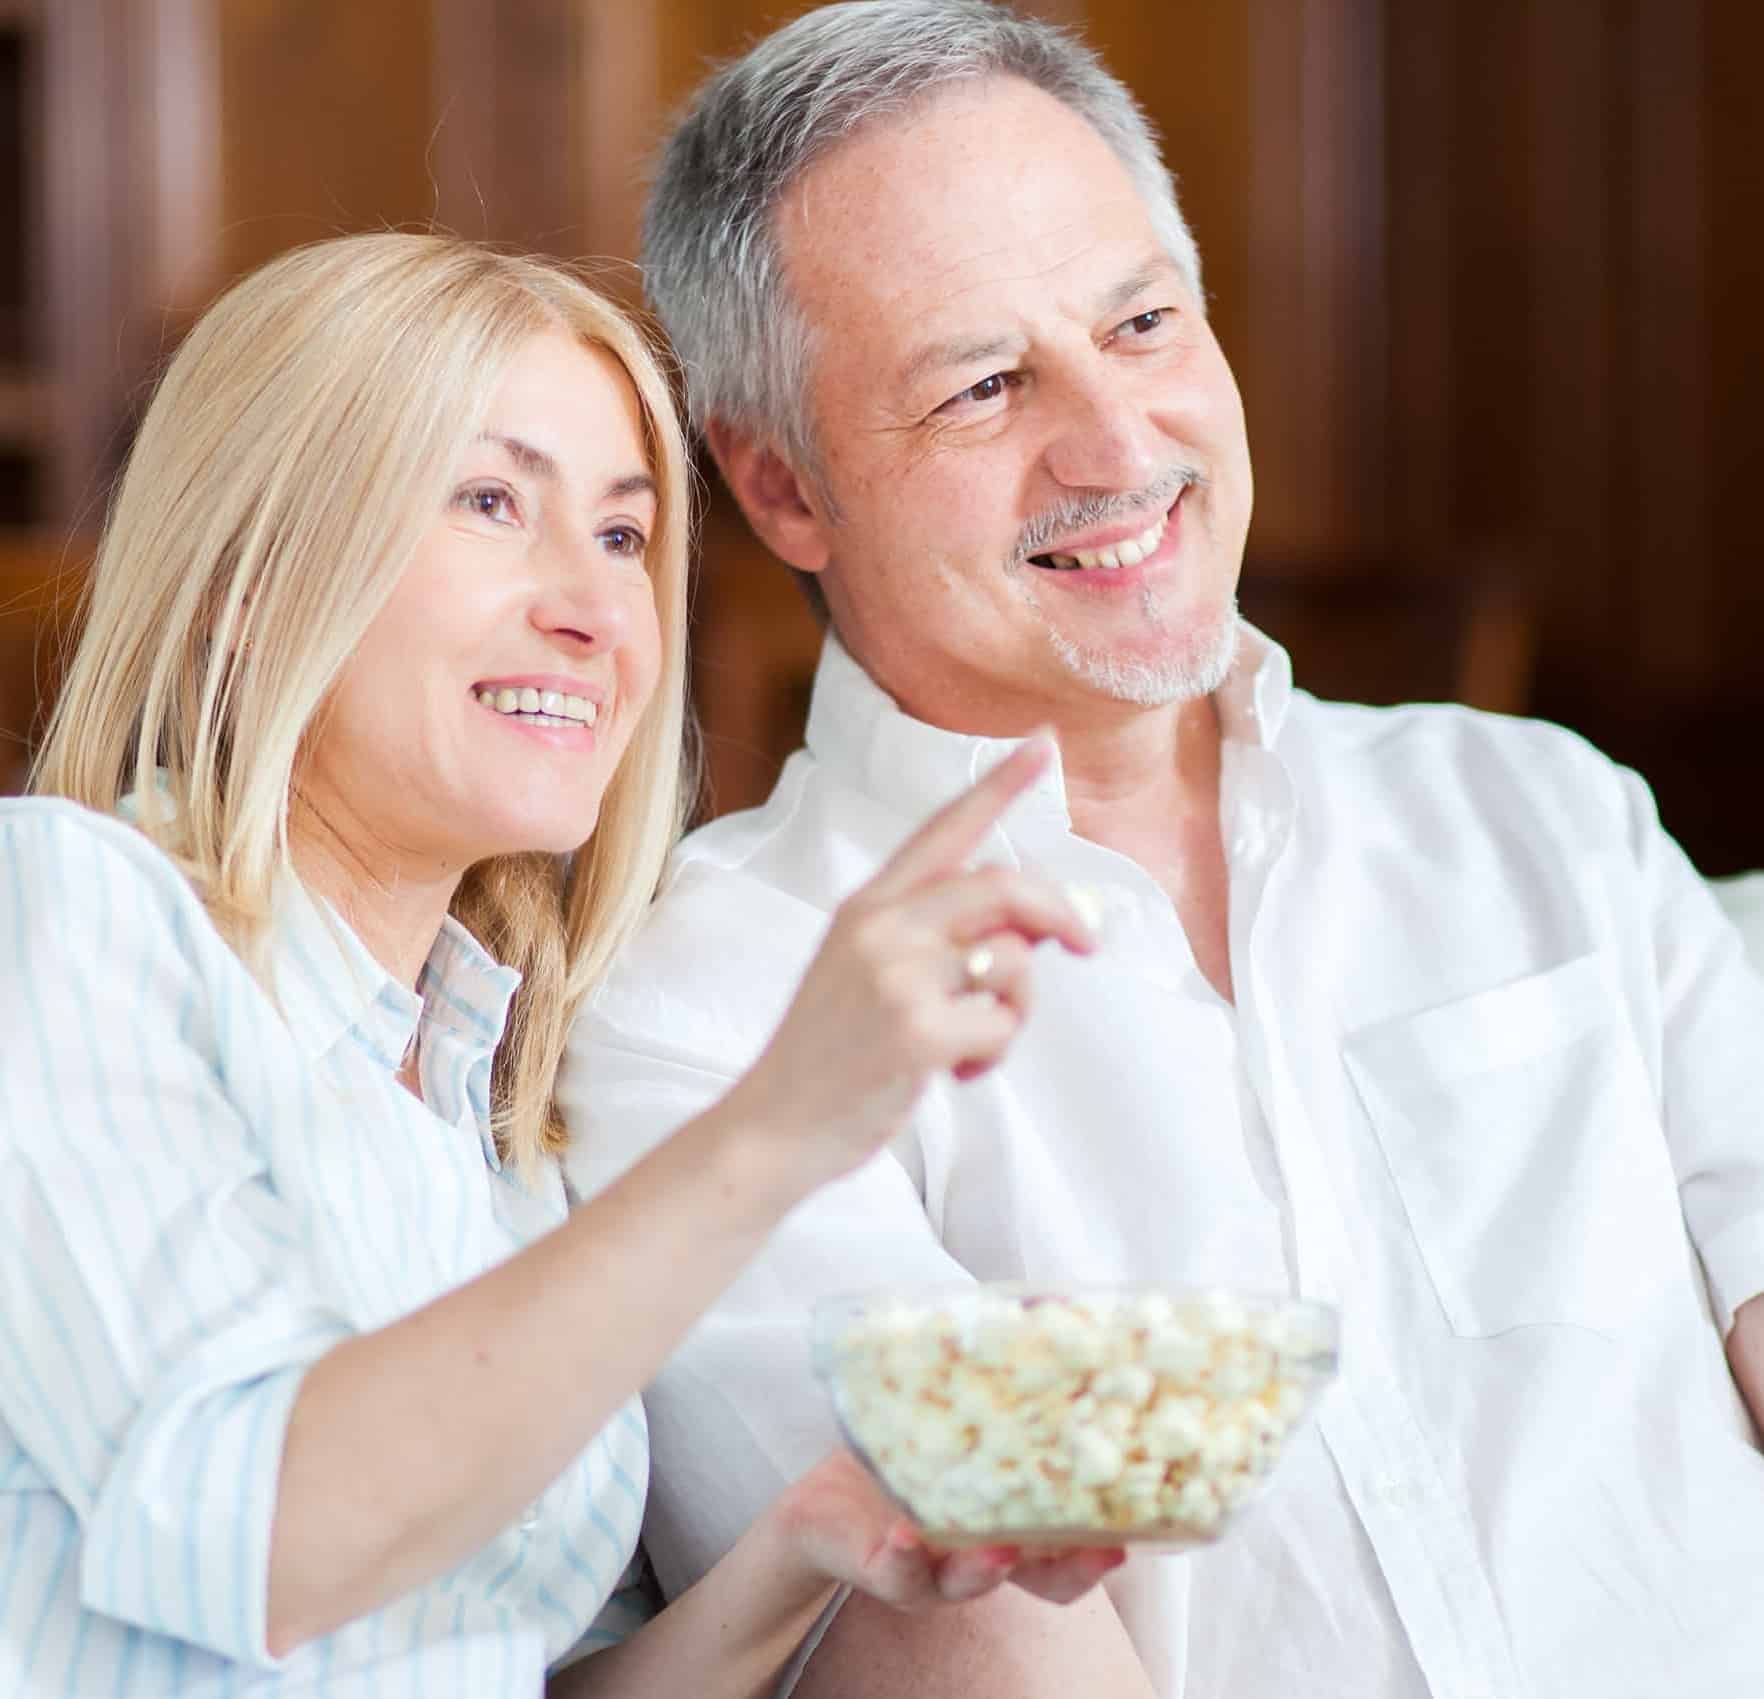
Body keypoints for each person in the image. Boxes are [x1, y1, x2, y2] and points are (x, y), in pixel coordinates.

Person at [559, 4, 1764, 1696]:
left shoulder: (1542, 814)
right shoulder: (715, 1012)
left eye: (1141, 324)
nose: (1119, 449)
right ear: (782, 493)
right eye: (983, 387)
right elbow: (951, 1621)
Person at [0, 231, 1125, 1698]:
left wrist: (822, 1537)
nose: (595, 611)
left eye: (621, 535)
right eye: (488, 501)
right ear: (245, 576)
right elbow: (258, 1535)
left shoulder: (503, 1136)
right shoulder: (61, 909)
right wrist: (774, 1127)